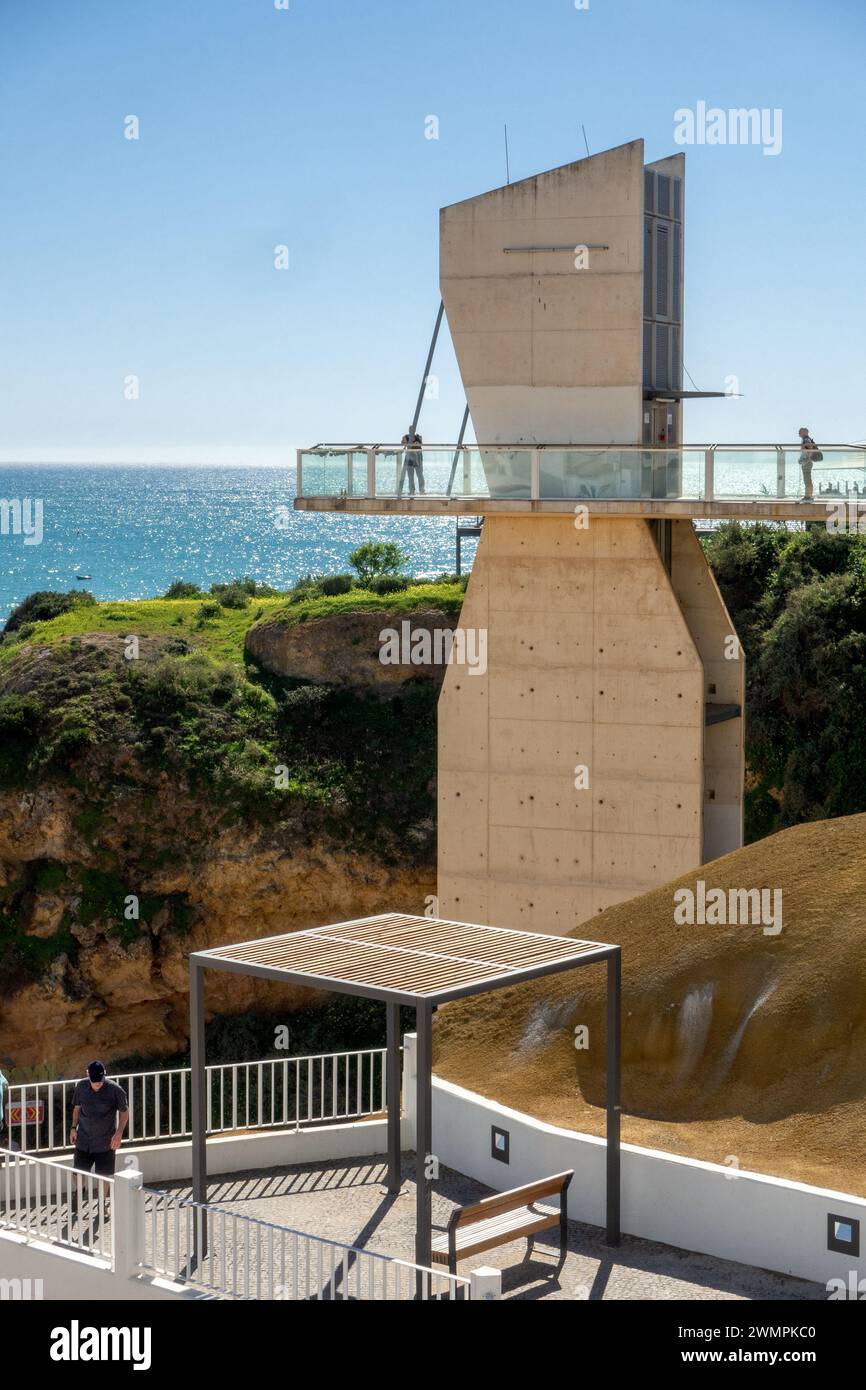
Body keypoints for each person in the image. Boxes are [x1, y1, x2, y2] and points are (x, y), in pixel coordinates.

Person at [70, 1061, 129, 1186]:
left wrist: (119, 1134)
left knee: (103, 1177)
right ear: (87, 1074)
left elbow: (124, 1112)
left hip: (105, 1142)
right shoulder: (81, 1086)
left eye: (100, 1080)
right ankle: (80, 1194)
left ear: (105, 1074)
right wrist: (73, 1128)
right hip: (83, 1140)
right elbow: (77, 1108)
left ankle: (102, 1204)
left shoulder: (116, 1090)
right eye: (94, 1080)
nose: (97, 1083)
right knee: (77, 1172)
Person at [400, 428, 425, 495]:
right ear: (409, 430)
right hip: (410, 457)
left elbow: (420, 444)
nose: (411, 431)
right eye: (410, 429)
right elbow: (403, 443)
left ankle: (422, 490)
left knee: (420, 474)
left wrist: (414, 444)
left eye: (412, 429)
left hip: (418, 457)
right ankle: (412, 491)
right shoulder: (406, 437)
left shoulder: (418, 437)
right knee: (410, 475)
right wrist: (408, 443)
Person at [797, 427, 819, 501]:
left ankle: (808, 496)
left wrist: (807, 459)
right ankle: (808, 495)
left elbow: (810, 448)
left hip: (807, 462)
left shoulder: (806, 439)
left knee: (807, 479)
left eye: (800, 431)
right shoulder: (806, 439)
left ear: (804, 432)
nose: (798, 433)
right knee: (807, 479)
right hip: (807, 462)